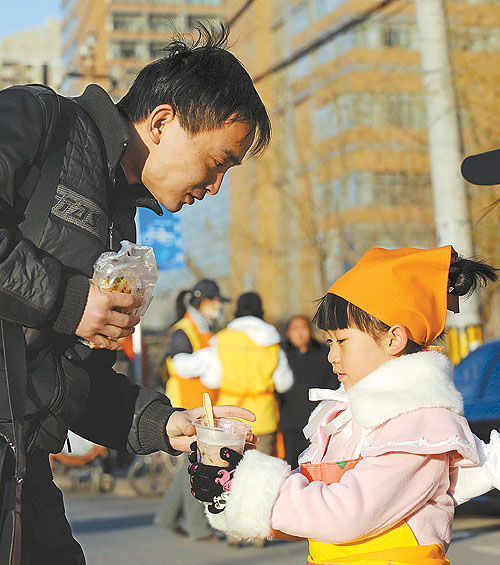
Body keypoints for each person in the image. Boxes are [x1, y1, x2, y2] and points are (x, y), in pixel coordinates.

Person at [0, 24, 268, 563]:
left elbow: (79, 381)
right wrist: (70, 300)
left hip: (24, 473)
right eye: (217, 161)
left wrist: (164, 423)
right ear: (163, 121)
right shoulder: (39, 121)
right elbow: (66, 306)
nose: (216, 186)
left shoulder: (119, 226)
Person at [189, 246, 500, 565]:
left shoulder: (419, 424)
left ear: (394, 339)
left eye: (342, 341)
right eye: (329, 341)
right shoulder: (344, 419)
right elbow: (312, 511)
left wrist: (248, 483)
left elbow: (348, 513)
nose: (332, 355)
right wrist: (233, 487)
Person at [173, 291, 294, 457]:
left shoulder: (222, 340)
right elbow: (284, 383)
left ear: (236, 311)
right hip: (263, 418)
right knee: (262, 468)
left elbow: (213, 380)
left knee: (229, 467)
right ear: (261, 311)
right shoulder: (272, 342)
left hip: (229, 420)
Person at [155, 279, 228, 541]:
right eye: (215, 301)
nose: (218, 306)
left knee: (195, 462)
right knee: (199, 465)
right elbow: (180, 365)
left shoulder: (204, 328)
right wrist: (208, 360)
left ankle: (167, 517)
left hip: (202, 405)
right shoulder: (184, 330)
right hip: (186, 407)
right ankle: (197, 527)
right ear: (202, 301)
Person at [278, 315, 337, 468]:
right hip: (289, 417)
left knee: (313, 460)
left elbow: (332, 382)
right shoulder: (282, 354)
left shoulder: (324, 353)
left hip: (315, 417)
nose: (300, 333)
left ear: (309, 330)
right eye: (295, 329)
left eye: (303, 328)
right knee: (290, 460)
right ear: (288, 333)